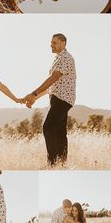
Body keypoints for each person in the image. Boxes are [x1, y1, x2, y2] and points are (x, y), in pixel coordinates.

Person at [24, 34, 76, 166]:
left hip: (62, 99)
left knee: (48, 127)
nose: (51, 45)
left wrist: (34, 93)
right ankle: (61, 163)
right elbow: (52, 86)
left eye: (55, 43)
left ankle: (52, 163)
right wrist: (35, 97)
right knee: (59, 132)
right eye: (51, 43)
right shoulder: (58, 58)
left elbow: (53, 78)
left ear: (63, 43)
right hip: (58, 98)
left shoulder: (65, 57)